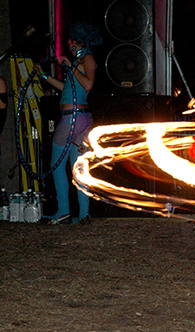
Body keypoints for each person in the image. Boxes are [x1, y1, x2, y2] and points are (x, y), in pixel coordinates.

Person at [38, 23, 102, 224]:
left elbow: (88, 84)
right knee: (78, 167)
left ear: (78, 41)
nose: (69, 44)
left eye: (71, 41)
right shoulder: (79, 61)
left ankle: (64, 210)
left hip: (73, 118)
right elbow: (67, 87)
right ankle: (83, 215)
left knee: (56, 166)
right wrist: (45, 76)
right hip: (77, 118)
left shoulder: (88, 59)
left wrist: (68, 66)